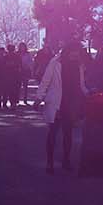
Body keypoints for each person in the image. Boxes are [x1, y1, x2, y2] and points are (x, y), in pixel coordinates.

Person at [37, 40, 88, 174]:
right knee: (53, 133)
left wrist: (89, 94)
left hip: (72, 103)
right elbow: (46, 80)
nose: (75, 55)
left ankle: (66, 160)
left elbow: (81, 85)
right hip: (57, 102)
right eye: (73, 53)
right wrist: (39, 97)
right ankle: (50, 162)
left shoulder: (79, 65)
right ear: (68, 51)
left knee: (68, 134)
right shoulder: (55, 63)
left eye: (77, 53)